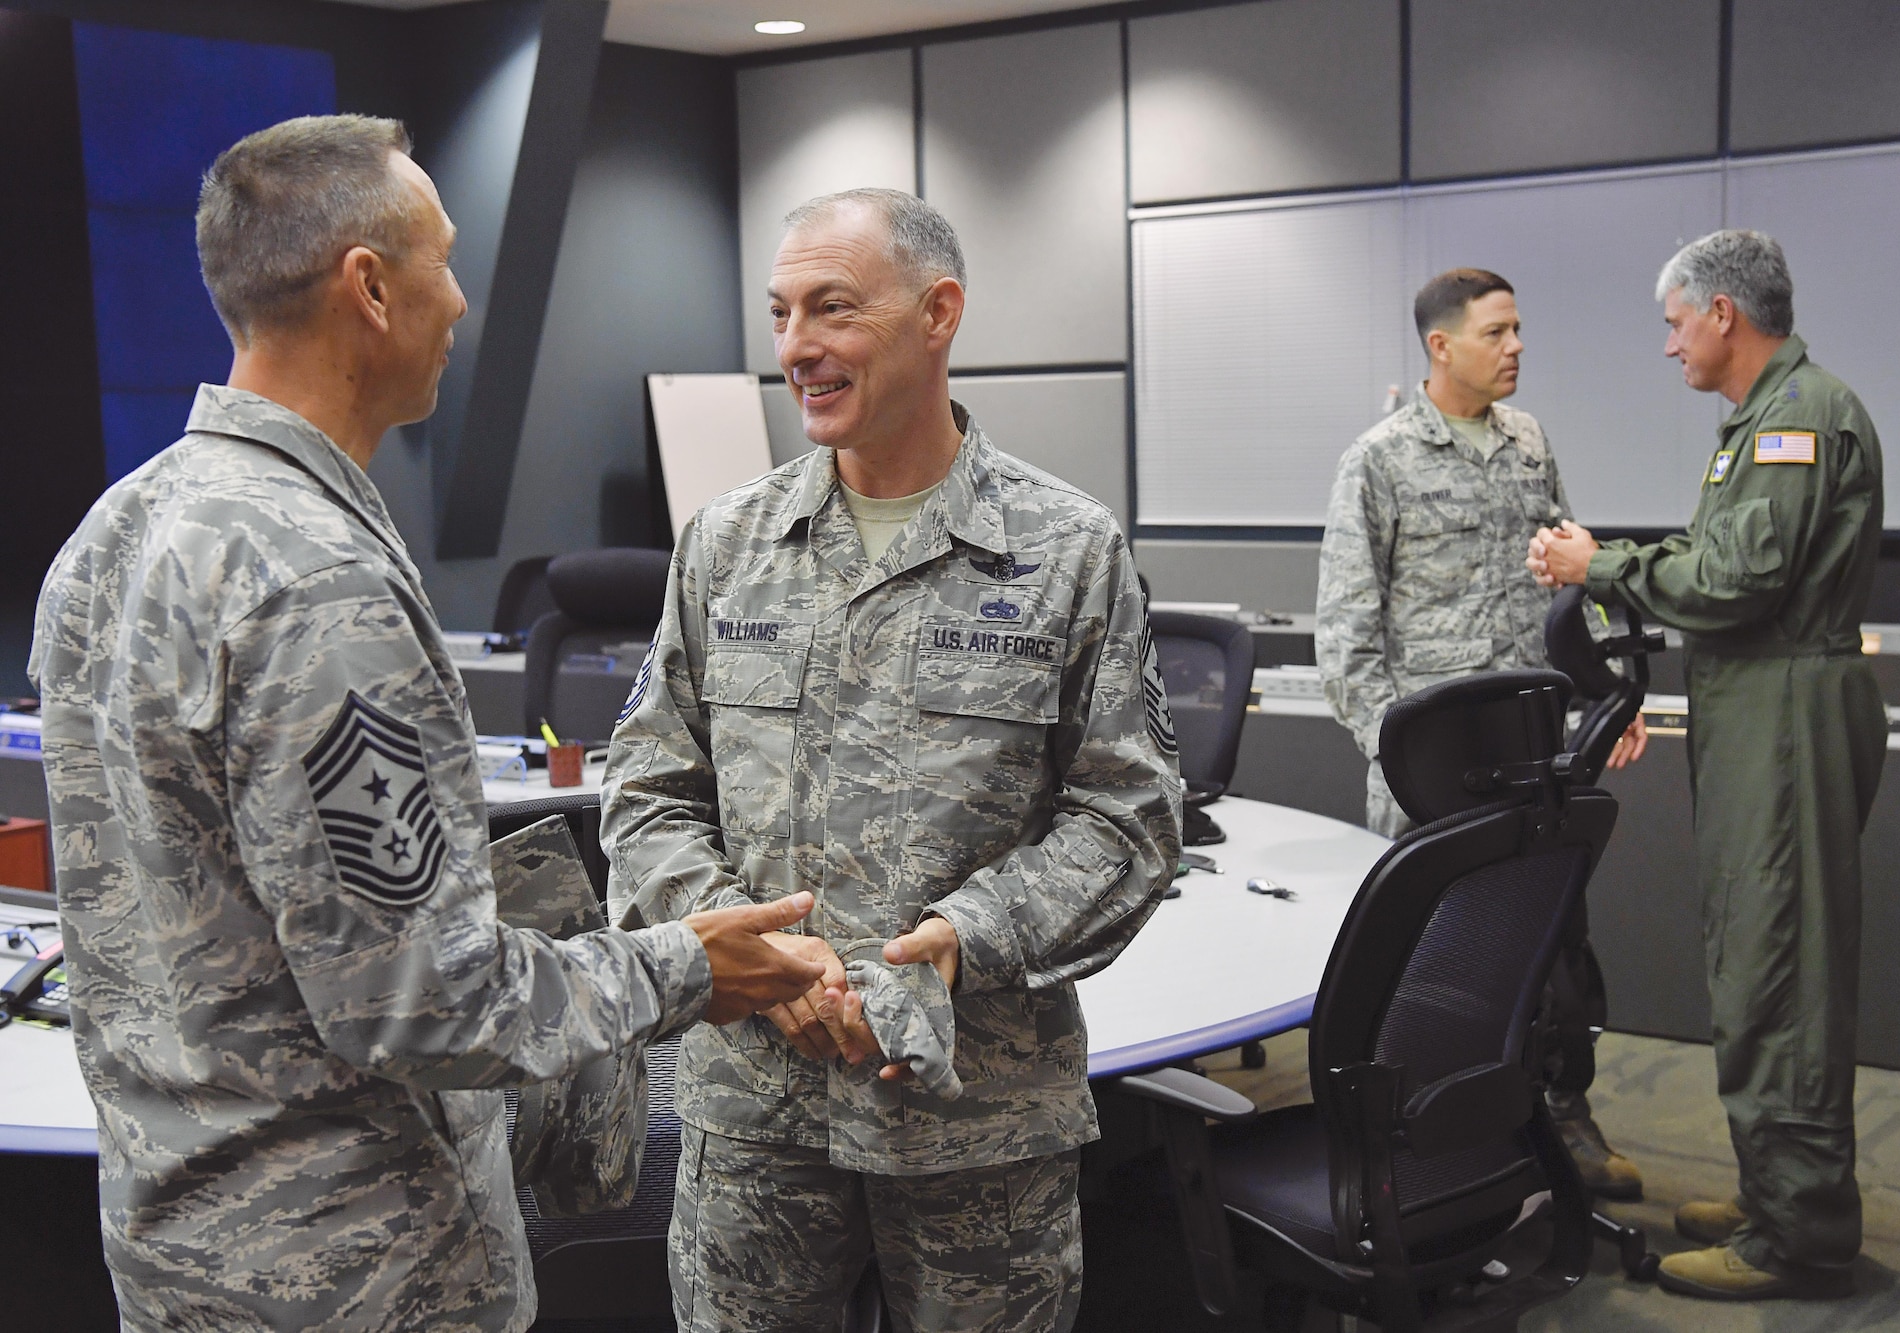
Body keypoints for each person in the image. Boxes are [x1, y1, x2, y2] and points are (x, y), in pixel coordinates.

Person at [29, 115, 823, 1333]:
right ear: (369, 287)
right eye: (444, 263)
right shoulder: (317, 582)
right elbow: (423, 1000)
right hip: (359, 1274)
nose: (458, 302)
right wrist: (687, 966)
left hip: (181, 1254)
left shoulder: (114, 533)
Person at [600, 187, 1181, 1333]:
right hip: (755, 1113)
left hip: (977, 1118)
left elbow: (1128, 817)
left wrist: (965, 941)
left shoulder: (1064, 550)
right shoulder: (725, 545)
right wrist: (744, 949)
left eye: (832, 308)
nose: (795, 347)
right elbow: (646, 792)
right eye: (779, 314)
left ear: (937, 313)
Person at [1527, 229, 1887, 1301]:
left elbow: (1735, 583)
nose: (1670, 344)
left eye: (1675, 322)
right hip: (1760, 710)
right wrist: (1614, 566)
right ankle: (1777, 1189)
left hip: (1785, 713)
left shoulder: (1796, 418)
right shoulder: (1763, 416)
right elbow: (1723, 562)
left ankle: (1799, 1236)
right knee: (1755, 951)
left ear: (1723, 313)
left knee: (1780, 968)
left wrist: (1602, 567)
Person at [1315, 267, 1645, 1200]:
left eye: (1517, 329)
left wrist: (1604, 695)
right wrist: (1398, 756)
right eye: (1496, 332)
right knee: (1434, 968)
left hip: (1535, 751)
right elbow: (1345, 634)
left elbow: (1569, 581)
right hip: (1436, 770)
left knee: (1554, 947)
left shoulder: (1528, 442)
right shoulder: (1378, 459)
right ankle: (1434, 1153)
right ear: (1441, 345)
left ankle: (1563, 1116)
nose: (1516, 347)